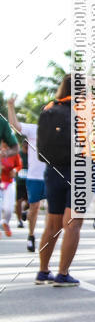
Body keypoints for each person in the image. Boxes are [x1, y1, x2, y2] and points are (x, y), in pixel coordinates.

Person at [36, 75, 95, 286]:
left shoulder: (48, 108)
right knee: (73, 223)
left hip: (53, 170)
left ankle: (43, 271)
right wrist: (94, 81)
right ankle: (63, 274)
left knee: (53, 224)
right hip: (81, 170)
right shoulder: (84, 107)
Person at [7, 95, 47, 252]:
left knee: (54, 210)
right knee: (35, 206)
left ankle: (48, 238)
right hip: (34, 177)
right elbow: (14, 125)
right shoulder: (33, 130)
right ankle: (31, 235)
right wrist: (11, 106)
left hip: (53, 176)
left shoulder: (60, 132)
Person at [0, 140, 22, 236]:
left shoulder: (14, 153)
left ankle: (5, 222)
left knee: (8, 208)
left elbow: (19, 165)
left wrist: (14, 170)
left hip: (9, 182)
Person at [15, 141, 28, 229]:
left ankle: (24, 211)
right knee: (18, 201)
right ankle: (19, 221)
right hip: (20, 182)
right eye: (25, 145)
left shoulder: (32, 155)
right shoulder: (18, 154)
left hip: (30, 181)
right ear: (22, 145)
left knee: (30, 202)